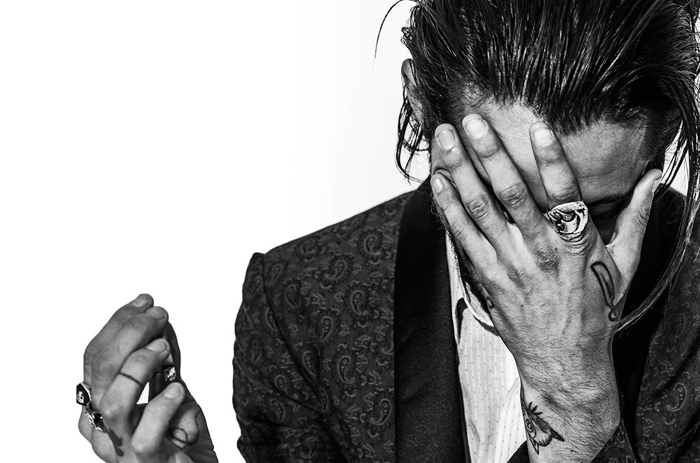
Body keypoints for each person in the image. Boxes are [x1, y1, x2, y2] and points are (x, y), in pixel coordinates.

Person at [78, 0, 700, 462]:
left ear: (665, 135)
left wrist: (576, 398)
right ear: (423, 107)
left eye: (593, 214)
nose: (543, 258)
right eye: (504, 201)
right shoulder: (305, 304)